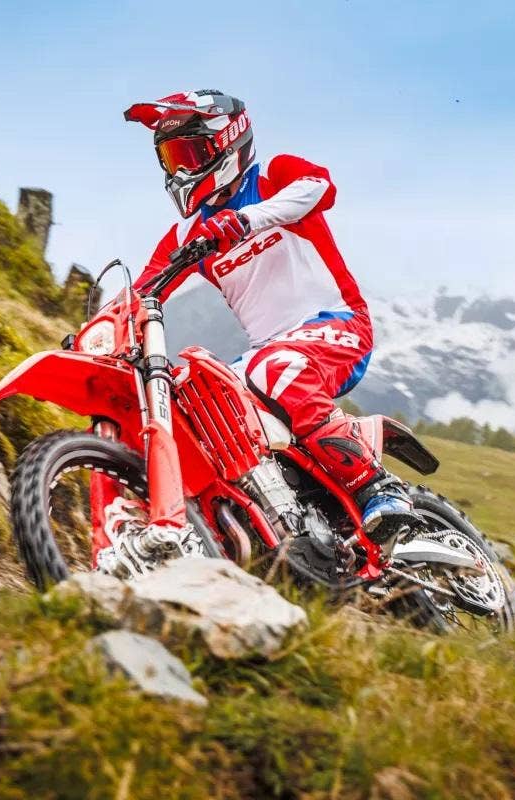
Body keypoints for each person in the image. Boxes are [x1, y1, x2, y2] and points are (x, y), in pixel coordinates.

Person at [121, 89, 416, 562]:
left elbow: (320, 188)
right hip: (268, 350)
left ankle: (377, 486)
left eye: (189, 155)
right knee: (197, 394)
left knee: (272, 367)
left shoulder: (275, 176)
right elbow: (143, 292)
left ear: (227, 142)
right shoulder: (186, 234)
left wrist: (246, 219)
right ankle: (270, 519)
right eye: (171, 160)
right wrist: (101, 328)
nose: (179, 171)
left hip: (339, 325)